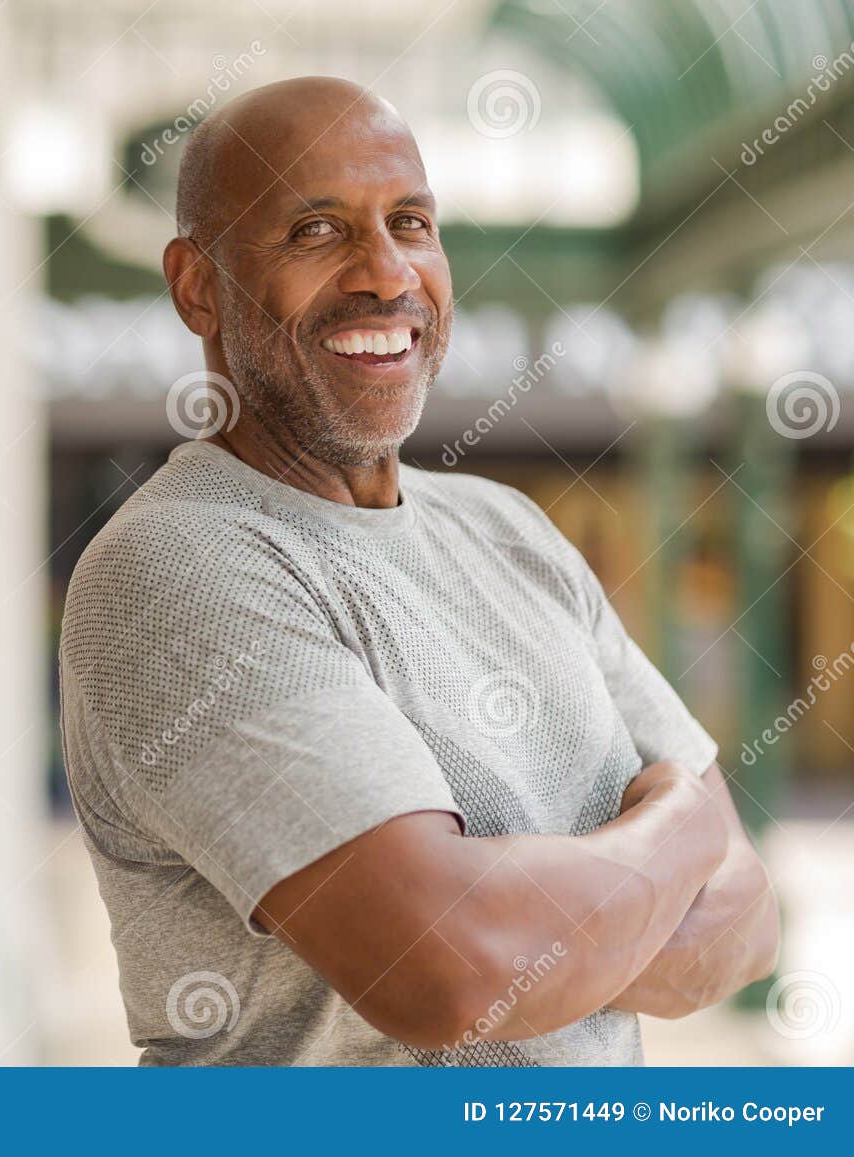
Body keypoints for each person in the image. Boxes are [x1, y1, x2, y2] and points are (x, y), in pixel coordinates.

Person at [56, 76, 778, 1065]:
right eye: (316, 231)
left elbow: (743, 927)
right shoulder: (182, 567)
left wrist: (544, 914)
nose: (385, 274)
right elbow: (449, 971)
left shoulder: (509, 532)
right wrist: (680, 836)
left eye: (410, 223)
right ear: (195, 285)